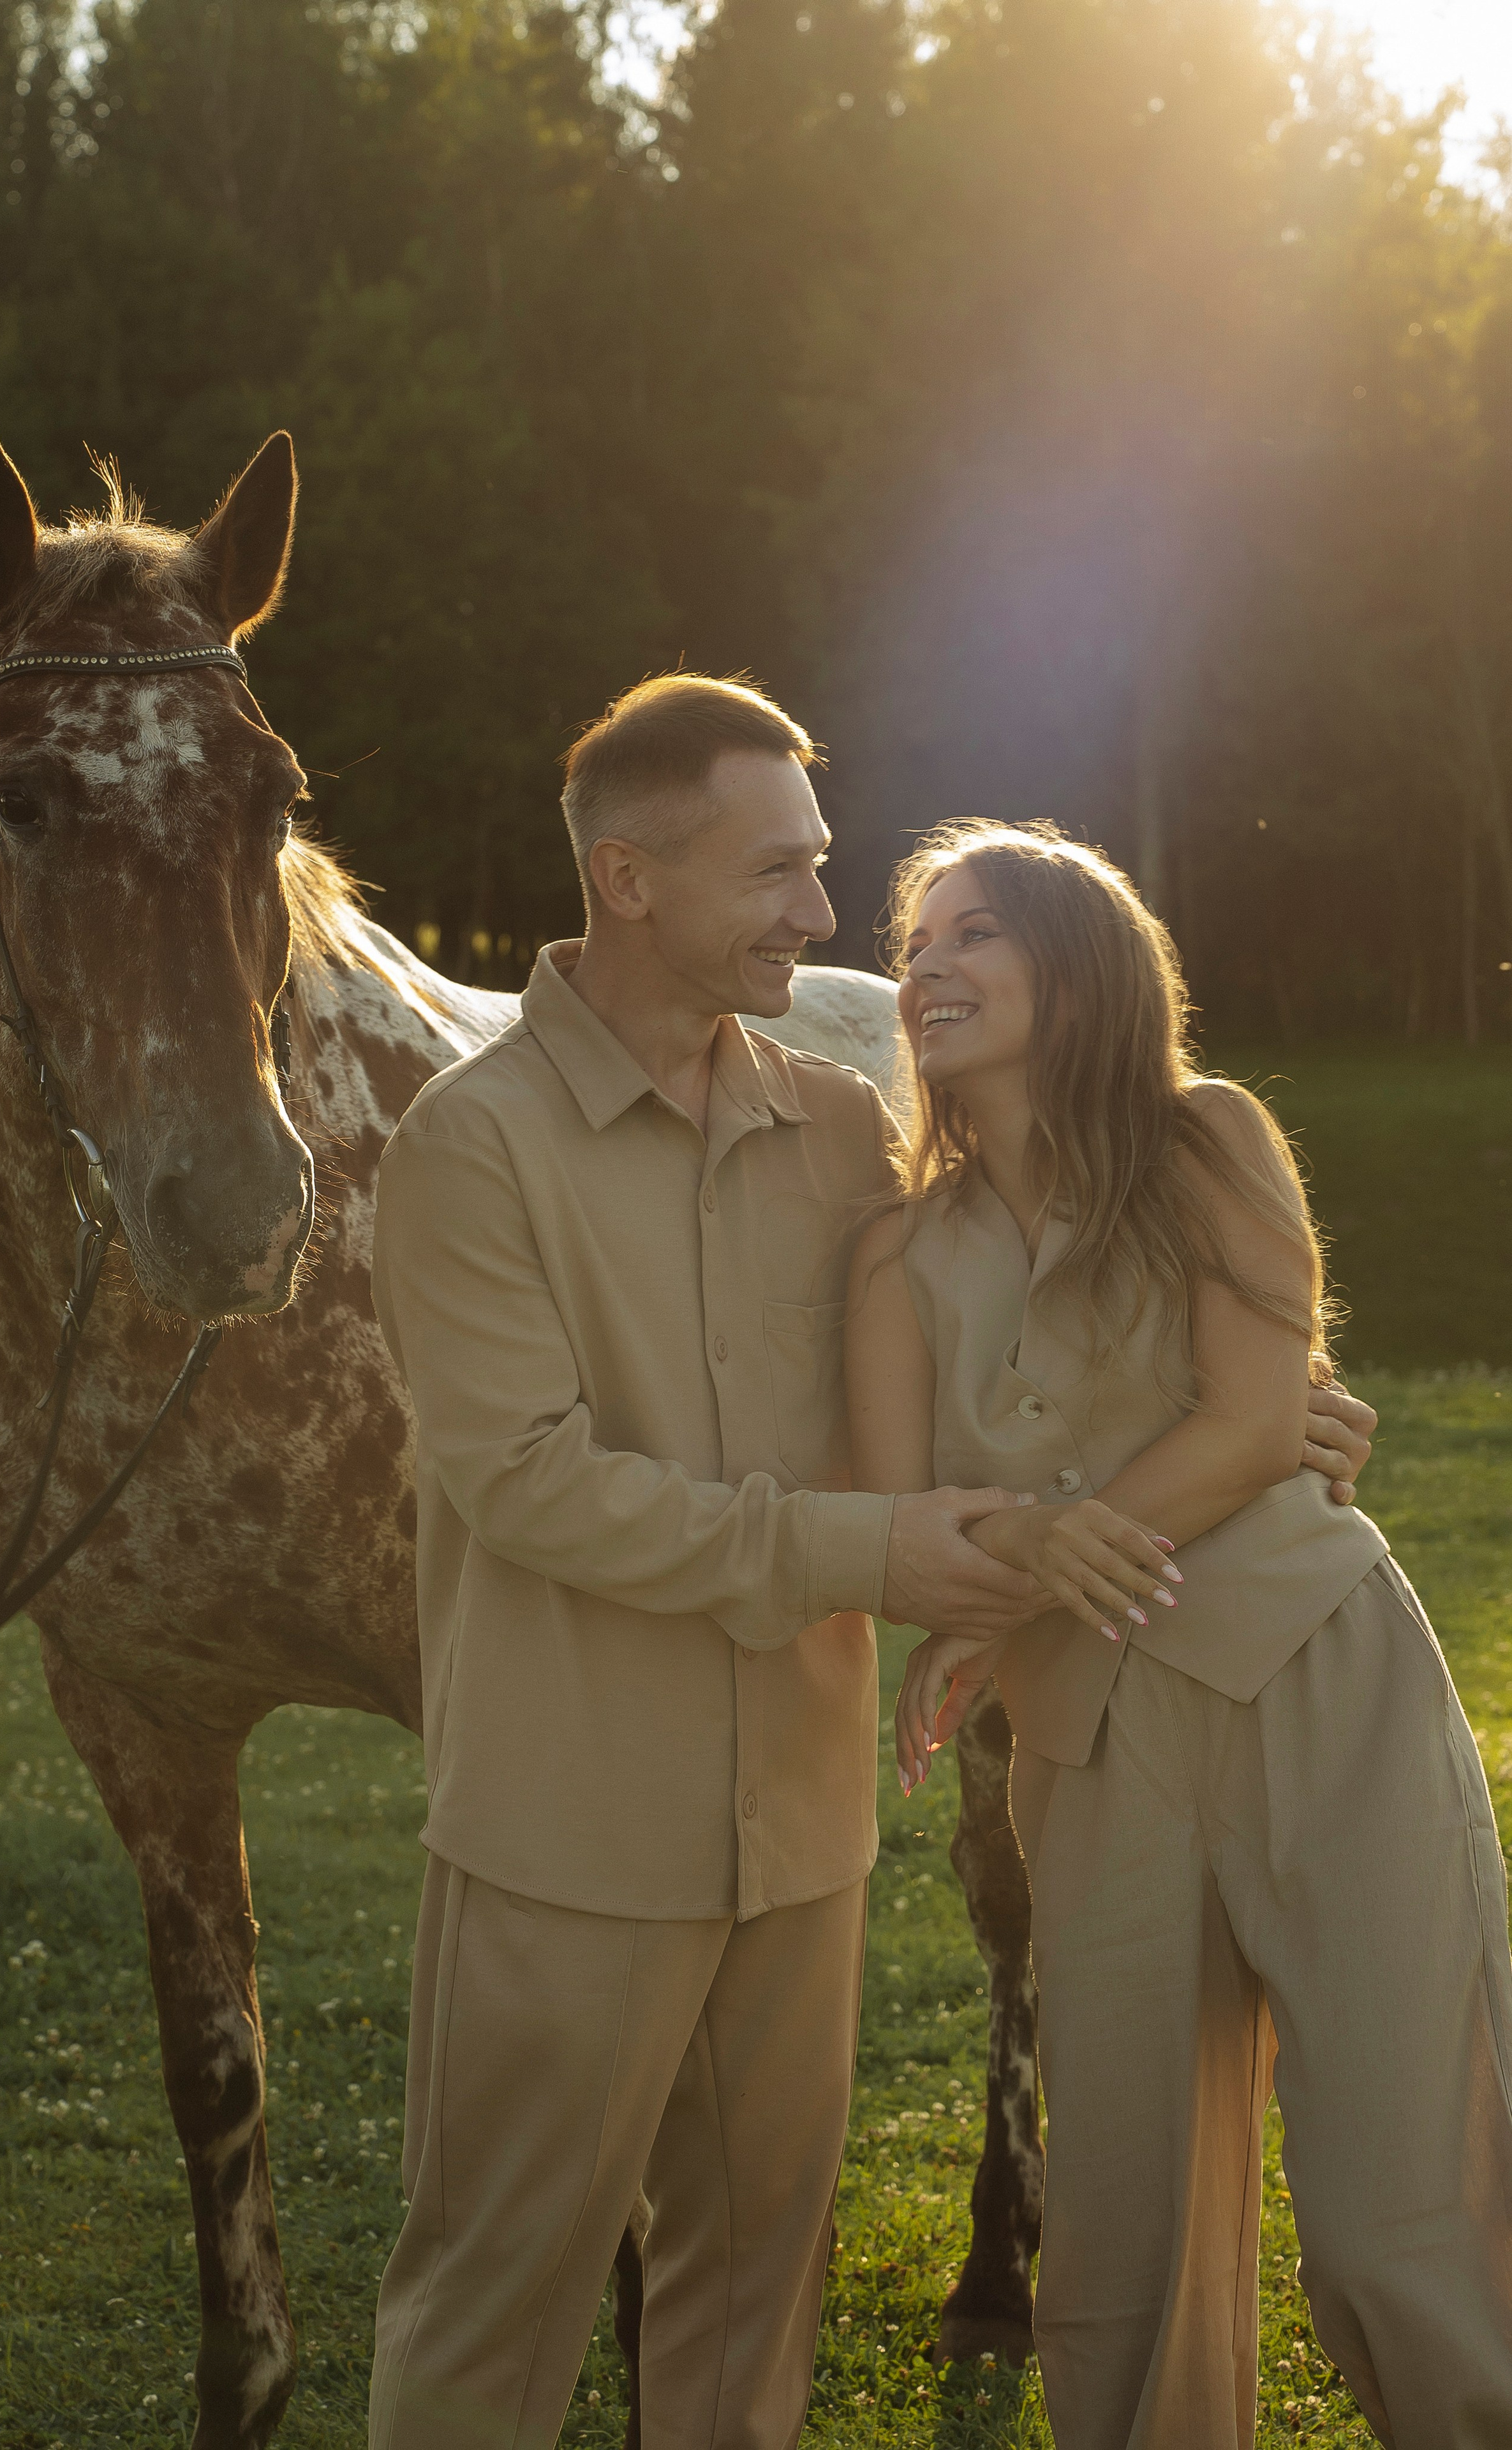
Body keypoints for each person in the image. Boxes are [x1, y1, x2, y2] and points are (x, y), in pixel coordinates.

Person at [367, 678, 1375, 2450]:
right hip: (567, 1836)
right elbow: (528, 1486)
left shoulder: (845, 1132)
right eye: (776, 875)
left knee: (758, 2313)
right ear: (628, 881)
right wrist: (881, 1551)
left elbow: (1031, 1323)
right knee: (491, 2312)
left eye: (823, 870)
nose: (823, 921)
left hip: (804, 1834)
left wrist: (1273, 1408)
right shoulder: (470, 1149)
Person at [846, 817, 1512, 2450]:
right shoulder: (890, 1256)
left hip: (1317, 1684)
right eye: (916, 939)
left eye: (974, 933)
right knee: (1120, 2238)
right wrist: (991, 1581)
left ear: (1077, 971)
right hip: (1089, 1746)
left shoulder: (1204, 1139)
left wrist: (1040, 1541)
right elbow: (893, 1520)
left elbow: (1252, 1418)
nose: (926, 965)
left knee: (1401, 2204)